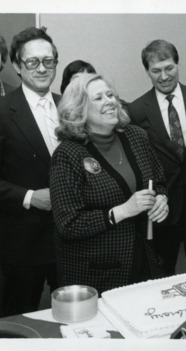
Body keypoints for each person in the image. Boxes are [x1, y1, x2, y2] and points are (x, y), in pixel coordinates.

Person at [50, 73, 168, 294]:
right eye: (99, 98)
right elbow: (68, 224)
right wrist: (121, 211)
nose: (110, 101)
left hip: (144, 260)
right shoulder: (67, 154)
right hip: (97, 273)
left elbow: (158, 181)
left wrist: (161, 198)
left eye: (110, 95)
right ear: (79, 109)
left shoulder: (136, 136)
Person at [128, 39, 186, 276]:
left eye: (169, 68)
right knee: (161, 274)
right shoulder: (137, 110)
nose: (164, 76)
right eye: (156, 71)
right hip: (162, 207)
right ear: (147, 72)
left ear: (178, 65)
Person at [0, 27, 59, 317]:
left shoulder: (71, 106)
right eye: (32, 62)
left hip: (71, 240)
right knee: (17, 326)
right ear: (17, 66)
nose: (41, 68)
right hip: (22, 244)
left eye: (48, 61)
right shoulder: (2, 111)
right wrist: (29, 196)